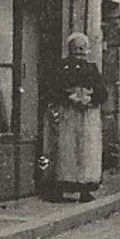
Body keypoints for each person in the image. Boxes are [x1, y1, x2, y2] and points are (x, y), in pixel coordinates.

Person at [47, 32, 107, 203]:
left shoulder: (92, 68)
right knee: (66, 150)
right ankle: (60, 188)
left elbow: (102, 92)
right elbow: (52, 88)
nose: (79, 52)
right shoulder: (61, 66)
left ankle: (85, 189)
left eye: (82, 48)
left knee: (86, 151)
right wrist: (68, 97)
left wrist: (90, 98)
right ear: (69, 50)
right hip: (68, 113)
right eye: (76, 48)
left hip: (87, 115)